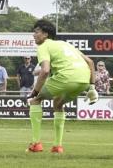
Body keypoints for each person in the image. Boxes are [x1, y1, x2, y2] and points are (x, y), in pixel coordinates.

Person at [26, 19, 97, 154]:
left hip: (66, 77)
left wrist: (35, 91)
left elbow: (45, 70)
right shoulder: (65, 44)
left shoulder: (43, 46)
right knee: (58, 103)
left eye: (36, 32)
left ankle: (36, 144)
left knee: (35, 100)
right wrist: (92, 87)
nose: (33, 35)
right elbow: (90, 62)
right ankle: (57, 146)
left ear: (45, 34)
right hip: (83, 80)